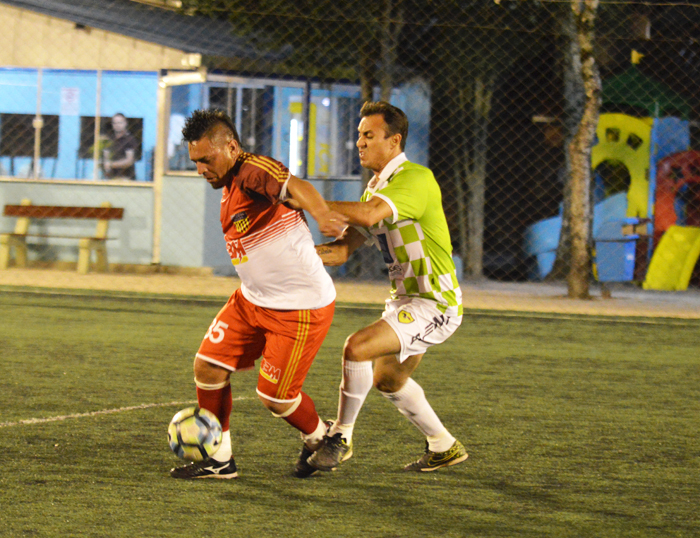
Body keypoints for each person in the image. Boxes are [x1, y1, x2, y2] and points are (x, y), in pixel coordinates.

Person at [170, 109, 347, 480]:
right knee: (208, 366)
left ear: (231, 147)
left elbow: (297, 186)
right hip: (251, 300)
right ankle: (219, 459)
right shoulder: (229, 182)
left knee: (276, 397)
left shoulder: (253, 171)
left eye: (206, 159)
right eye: (195, 162)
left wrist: (322, 214)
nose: (201, 169)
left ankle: (323, 438)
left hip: (298, 307)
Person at [306, 101, 468, 473]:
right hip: (406, 300)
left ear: (393, 141)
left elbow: (369, 216)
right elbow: (341, 251)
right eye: (360, 135)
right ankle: (443, 446)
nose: (360, 143)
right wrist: (293, 253)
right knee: (389, 380)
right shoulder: (375, 190)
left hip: (434, 302)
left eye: (369, 135)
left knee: (357, 348)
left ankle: (341, 438)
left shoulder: (414, 179)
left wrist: (310, 201)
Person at [103, 113, 137, 180]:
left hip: (126, 178)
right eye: (115, 123)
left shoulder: (130, 140)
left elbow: (129, 161)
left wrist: (111, 165)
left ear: (125, 123)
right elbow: (106, 156)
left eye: (120, 122)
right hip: (111, 177)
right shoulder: (110, 139)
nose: (117, 125)